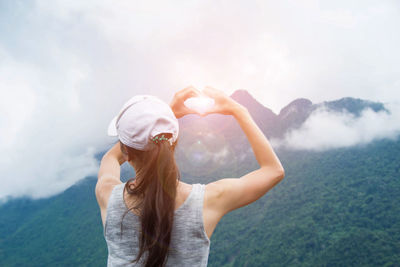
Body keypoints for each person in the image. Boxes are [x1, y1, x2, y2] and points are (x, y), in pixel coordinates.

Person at [95, 86, 285, 267]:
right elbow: (273, 170)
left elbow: (110, 157)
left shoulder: (108, 196)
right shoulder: (207, 201)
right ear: (174, 142)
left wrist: (167, 115)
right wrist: (238, 109)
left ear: (126, 152)